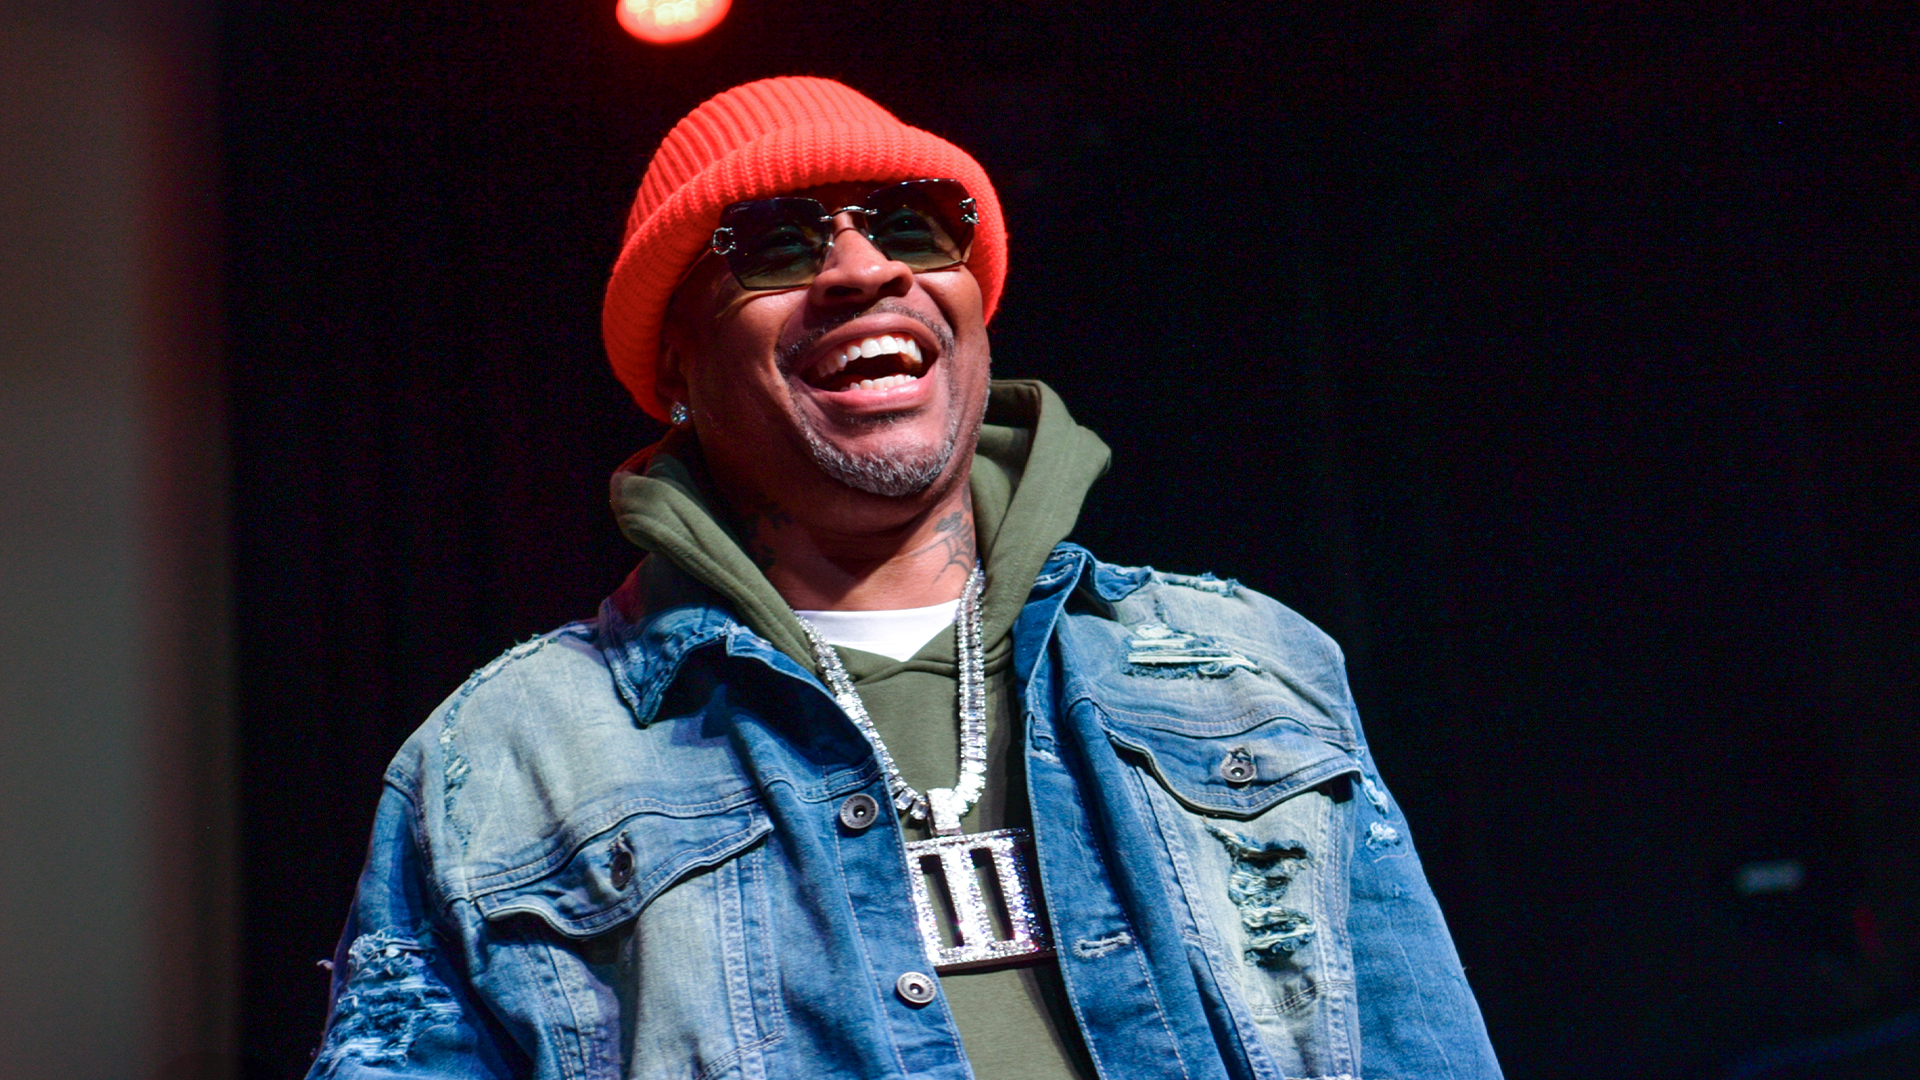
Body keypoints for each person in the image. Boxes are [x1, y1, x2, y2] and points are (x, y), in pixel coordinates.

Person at [308, 76, 1503, 1080]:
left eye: (914, 227)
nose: (863, 269)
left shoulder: (1246, 667)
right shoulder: (502, 762)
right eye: (774, 244)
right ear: (675, 365)